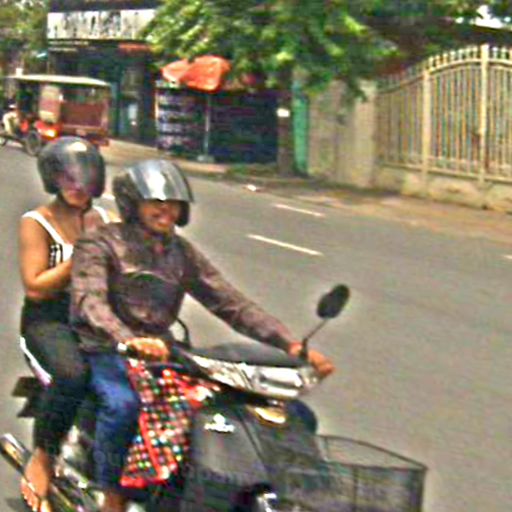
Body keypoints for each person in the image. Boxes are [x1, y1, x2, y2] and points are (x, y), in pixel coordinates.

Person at [70, 159, 335, 512]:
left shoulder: (181, 253)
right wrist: (128, 339)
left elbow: (231, 303)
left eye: (174, 204)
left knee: (279, 411)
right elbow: (90, 301)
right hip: (108, 349)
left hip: (166, 353)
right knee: (123, 407)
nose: (166, 210)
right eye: (156, 202)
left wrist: (290, 344)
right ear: (133, 204)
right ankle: (113, 497)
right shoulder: (100, 243)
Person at [19, 137, 110, 512]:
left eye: (84, 178)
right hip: (49, 322)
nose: (77, 186)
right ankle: (43, 457)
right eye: (67, 178)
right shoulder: (37, 222)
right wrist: (79, 257)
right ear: (53, 180)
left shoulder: (104, 220)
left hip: (97, 320)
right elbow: (35, 286)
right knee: (74, 375)